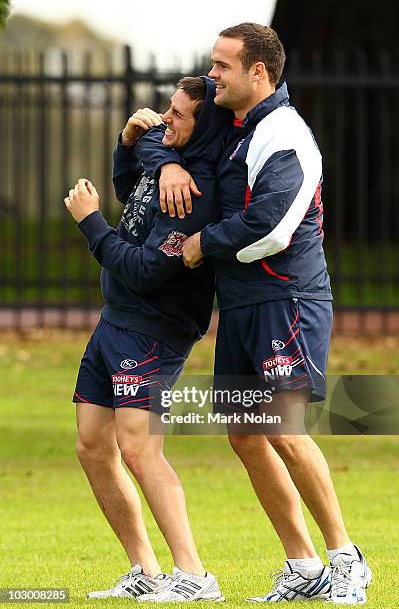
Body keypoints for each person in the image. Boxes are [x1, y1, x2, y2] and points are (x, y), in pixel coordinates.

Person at [139, 24, 372, 605]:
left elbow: (272, 226)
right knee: (245, 434)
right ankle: (303, 566)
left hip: (285, 301)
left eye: (221, 65)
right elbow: (163, 134)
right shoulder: (234, 125)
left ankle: (347, 559)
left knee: (284, 430)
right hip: (243, 305)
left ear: (258, 72)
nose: (210, 74)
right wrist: (165, 164)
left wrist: (201, 243)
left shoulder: (286, 134)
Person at [64, 76, 230, 602]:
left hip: (155, 328)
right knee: (93, 446)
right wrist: (129, 142)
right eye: (167, 110)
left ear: (203, 130)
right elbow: (128, 193)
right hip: (115, 320)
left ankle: (195, 576)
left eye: (178, 116)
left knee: (139, 449)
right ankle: (146, 571)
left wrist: (90, 224)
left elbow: (142, 271)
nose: (165, 121)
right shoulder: (167, 160)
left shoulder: (193, 192)